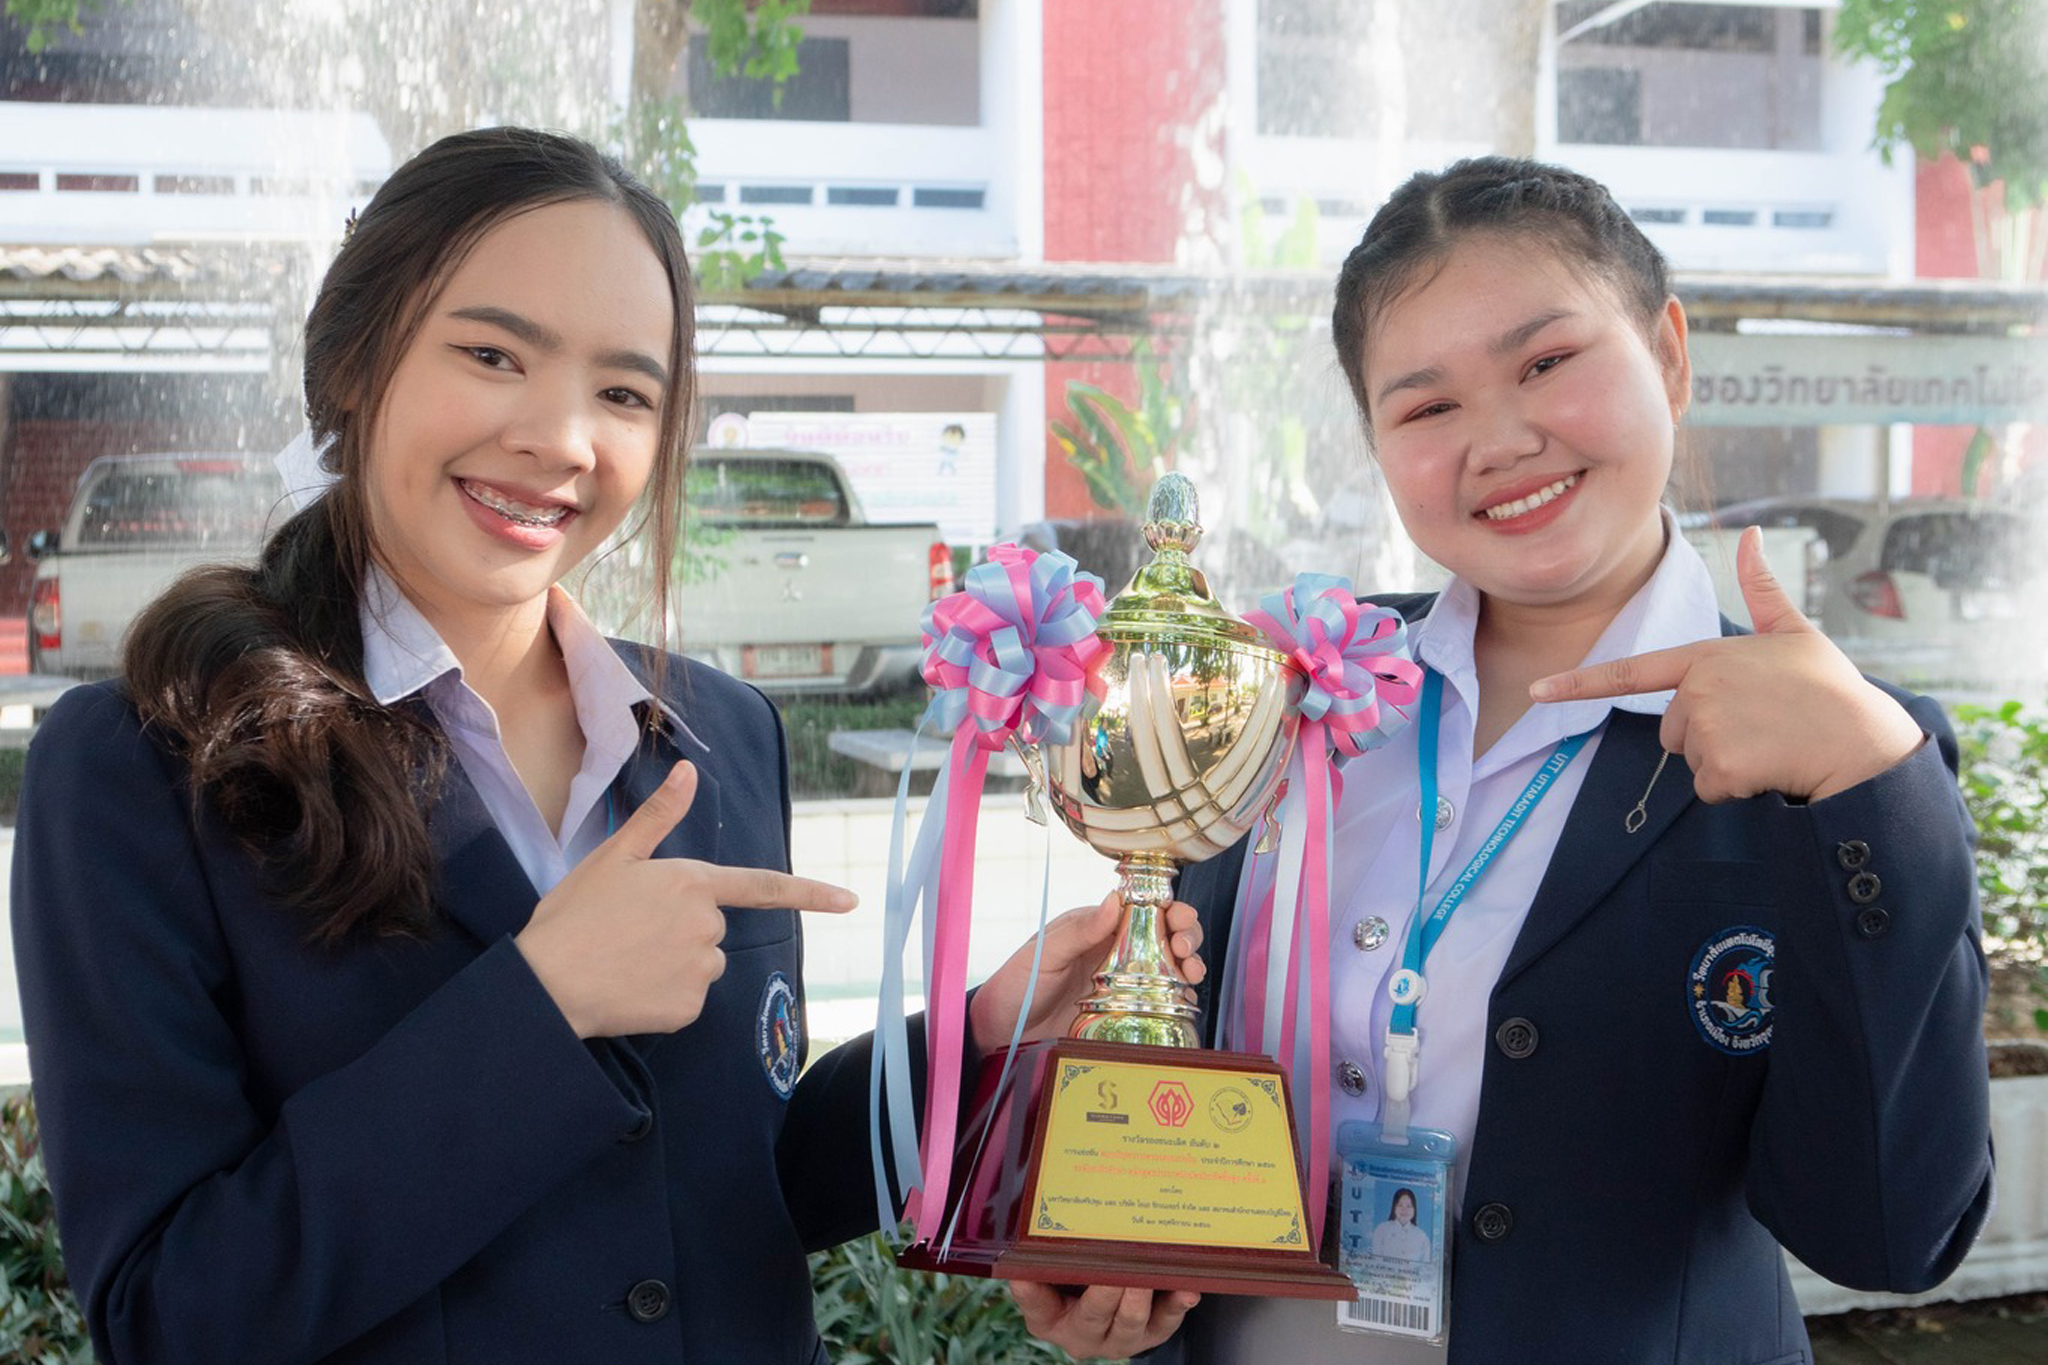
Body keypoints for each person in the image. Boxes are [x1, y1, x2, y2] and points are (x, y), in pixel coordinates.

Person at [11, 127, 1203, 1365]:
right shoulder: (145, 767)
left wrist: (976, 1040)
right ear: (353, 361)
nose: (564, 438)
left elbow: (743, 1182)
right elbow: (168, 1313)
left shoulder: (718, 736)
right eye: (491, 354)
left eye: (624, 393)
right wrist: (538, 1008)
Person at [1015, 156, 1993, 1363]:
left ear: (1668, 354)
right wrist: (1106, 1252)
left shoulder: (1832, 753)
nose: (1499, 440)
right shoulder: (1291, 687)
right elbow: (1166, 1037)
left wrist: (1871, 791)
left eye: (1545, 363)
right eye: (1424, 407)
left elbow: (1888, 1236)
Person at [1368, 1189, 1429, 1263]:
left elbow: (1425, 1266)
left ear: (1414, 1209)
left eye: (1409, 1206)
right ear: (1394, 1207)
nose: (1404, 1209)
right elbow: (1376, 1260)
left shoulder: (1422, 1236)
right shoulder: (1382, 1229)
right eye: (1400, 1205)